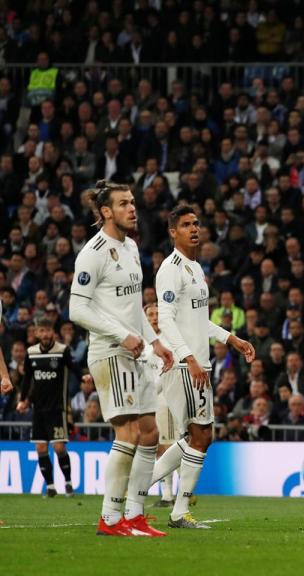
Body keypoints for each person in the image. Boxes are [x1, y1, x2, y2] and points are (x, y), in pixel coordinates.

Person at [69, 180, 175, 537]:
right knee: (128, 432)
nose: (133, 208)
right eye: (124, 204)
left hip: (137, 351)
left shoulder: (130, 246)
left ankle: (134, 514)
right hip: (111, 352)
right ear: (105, 211)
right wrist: (123, 335)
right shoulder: (93, 252)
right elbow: (76, 308)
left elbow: (132, 308)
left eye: (133, 202)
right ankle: (110, 519)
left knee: (149, 432)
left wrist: (154, 340)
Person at [149, 205, 256, 529]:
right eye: (185, 224)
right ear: (173, 232)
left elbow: (197, 320)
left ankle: (138, 490)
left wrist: (231, 338)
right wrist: (190, 359)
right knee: (201, 434)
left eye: (196, 223)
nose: (194, 228)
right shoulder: (171, 269)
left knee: (193, 435)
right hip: (185, 366)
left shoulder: (195, 268)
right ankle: (177, 510)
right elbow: (165, 319)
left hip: (197, 363)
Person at [15, 317, 74, 497]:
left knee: (59, 448)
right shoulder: (31, 352)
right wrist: (23, 400)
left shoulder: (62, 351)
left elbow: (75, 368)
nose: (45, 334)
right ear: (36, 333)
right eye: (41, 331)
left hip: (57, 409)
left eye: (48, 330)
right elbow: (27, 380)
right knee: (41, 448)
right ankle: (50, 487)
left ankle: (68, 483)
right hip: (38, 410)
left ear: (53, 333)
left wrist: (84, 377)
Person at [143, 304, 176, 508]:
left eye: (157, 314)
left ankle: (169, 495)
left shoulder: (168, 340)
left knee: (168, 446)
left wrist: (153, 391)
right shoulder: (143, 341)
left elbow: (167, 370)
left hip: (165, 398)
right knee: (157, 447)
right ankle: (170, 494)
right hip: (148, 400)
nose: (154, 318)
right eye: (150, 315)